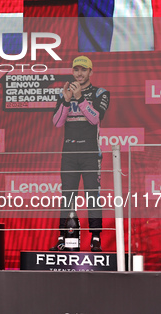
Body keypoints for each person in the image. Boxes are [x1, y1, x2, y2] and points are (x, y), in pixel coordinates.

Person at [50, 56, 110, 252]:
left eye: (83, 70)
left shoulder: (101, 93)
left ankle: (95, 238)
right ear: (72, 71)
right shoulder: (63, 93)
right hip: (69, 152)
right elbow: (57, 122)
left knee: (92, 195)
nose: (79, 73)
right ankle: (63, 237)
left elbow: (95, 119)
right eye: (76, 70)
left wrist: (80, 99)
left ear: (91, 72)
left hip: (90, 152)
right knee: (67, 196)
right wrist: (66, 101)